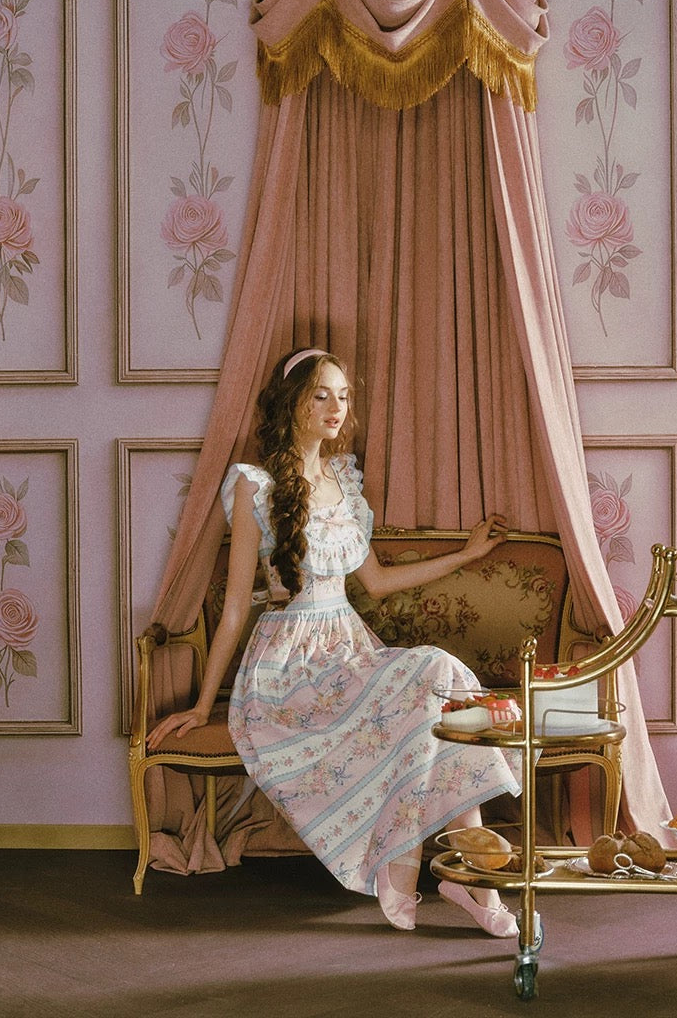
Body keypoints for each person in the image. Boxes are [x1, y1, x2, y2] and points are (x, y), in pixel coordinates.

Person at [147, 347, 523, 937]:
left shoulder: (344, 480)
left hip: (348, 650)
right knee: (433, 678)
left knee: (438, 685)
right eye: (321, 394)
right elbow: (237, 605)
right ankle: (440, 867)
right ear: (292, 402)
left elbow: (376, 581)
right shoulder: (254, 485)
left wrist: (465, 555)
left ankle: (464, 875)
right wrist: (201, 704)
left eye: (344, 396)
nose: (336, 407)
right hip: (288, 668)